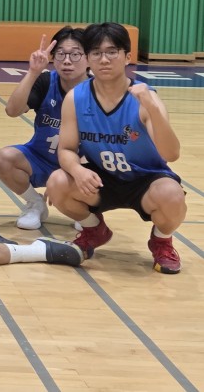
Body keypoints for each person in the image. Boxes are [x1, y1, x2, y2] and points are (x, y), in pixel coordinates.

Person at [46, 23, 185, 274]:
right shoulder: (76, 98)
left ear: (127, 57)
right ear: (88, 58)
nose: (104, 59)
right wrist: (78, 171)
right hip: (102, 178)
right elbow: (66, 149)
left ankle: (162, 241)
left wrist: (153, 109)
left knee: (172, 195)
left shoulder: (145, 98)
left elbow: (171, 154)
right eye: (96, 53)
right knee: (57, 182)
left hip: (146, 180)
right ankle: (94, 230)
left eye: (112, 52)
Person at [0, 27, 88, 229]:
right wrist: (33, 72)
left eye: (75, 54)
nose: (67, 61)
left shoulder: (97, 90)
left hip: (79, 165)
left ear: (89, 58)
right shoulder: (46, 82)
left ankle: (83, 209)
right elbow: (12, 110)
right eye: (60, 54)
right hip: (41, 159)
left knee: (101, 168)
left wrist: (68, 175)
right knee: (4, 158)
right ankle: (35, 203)